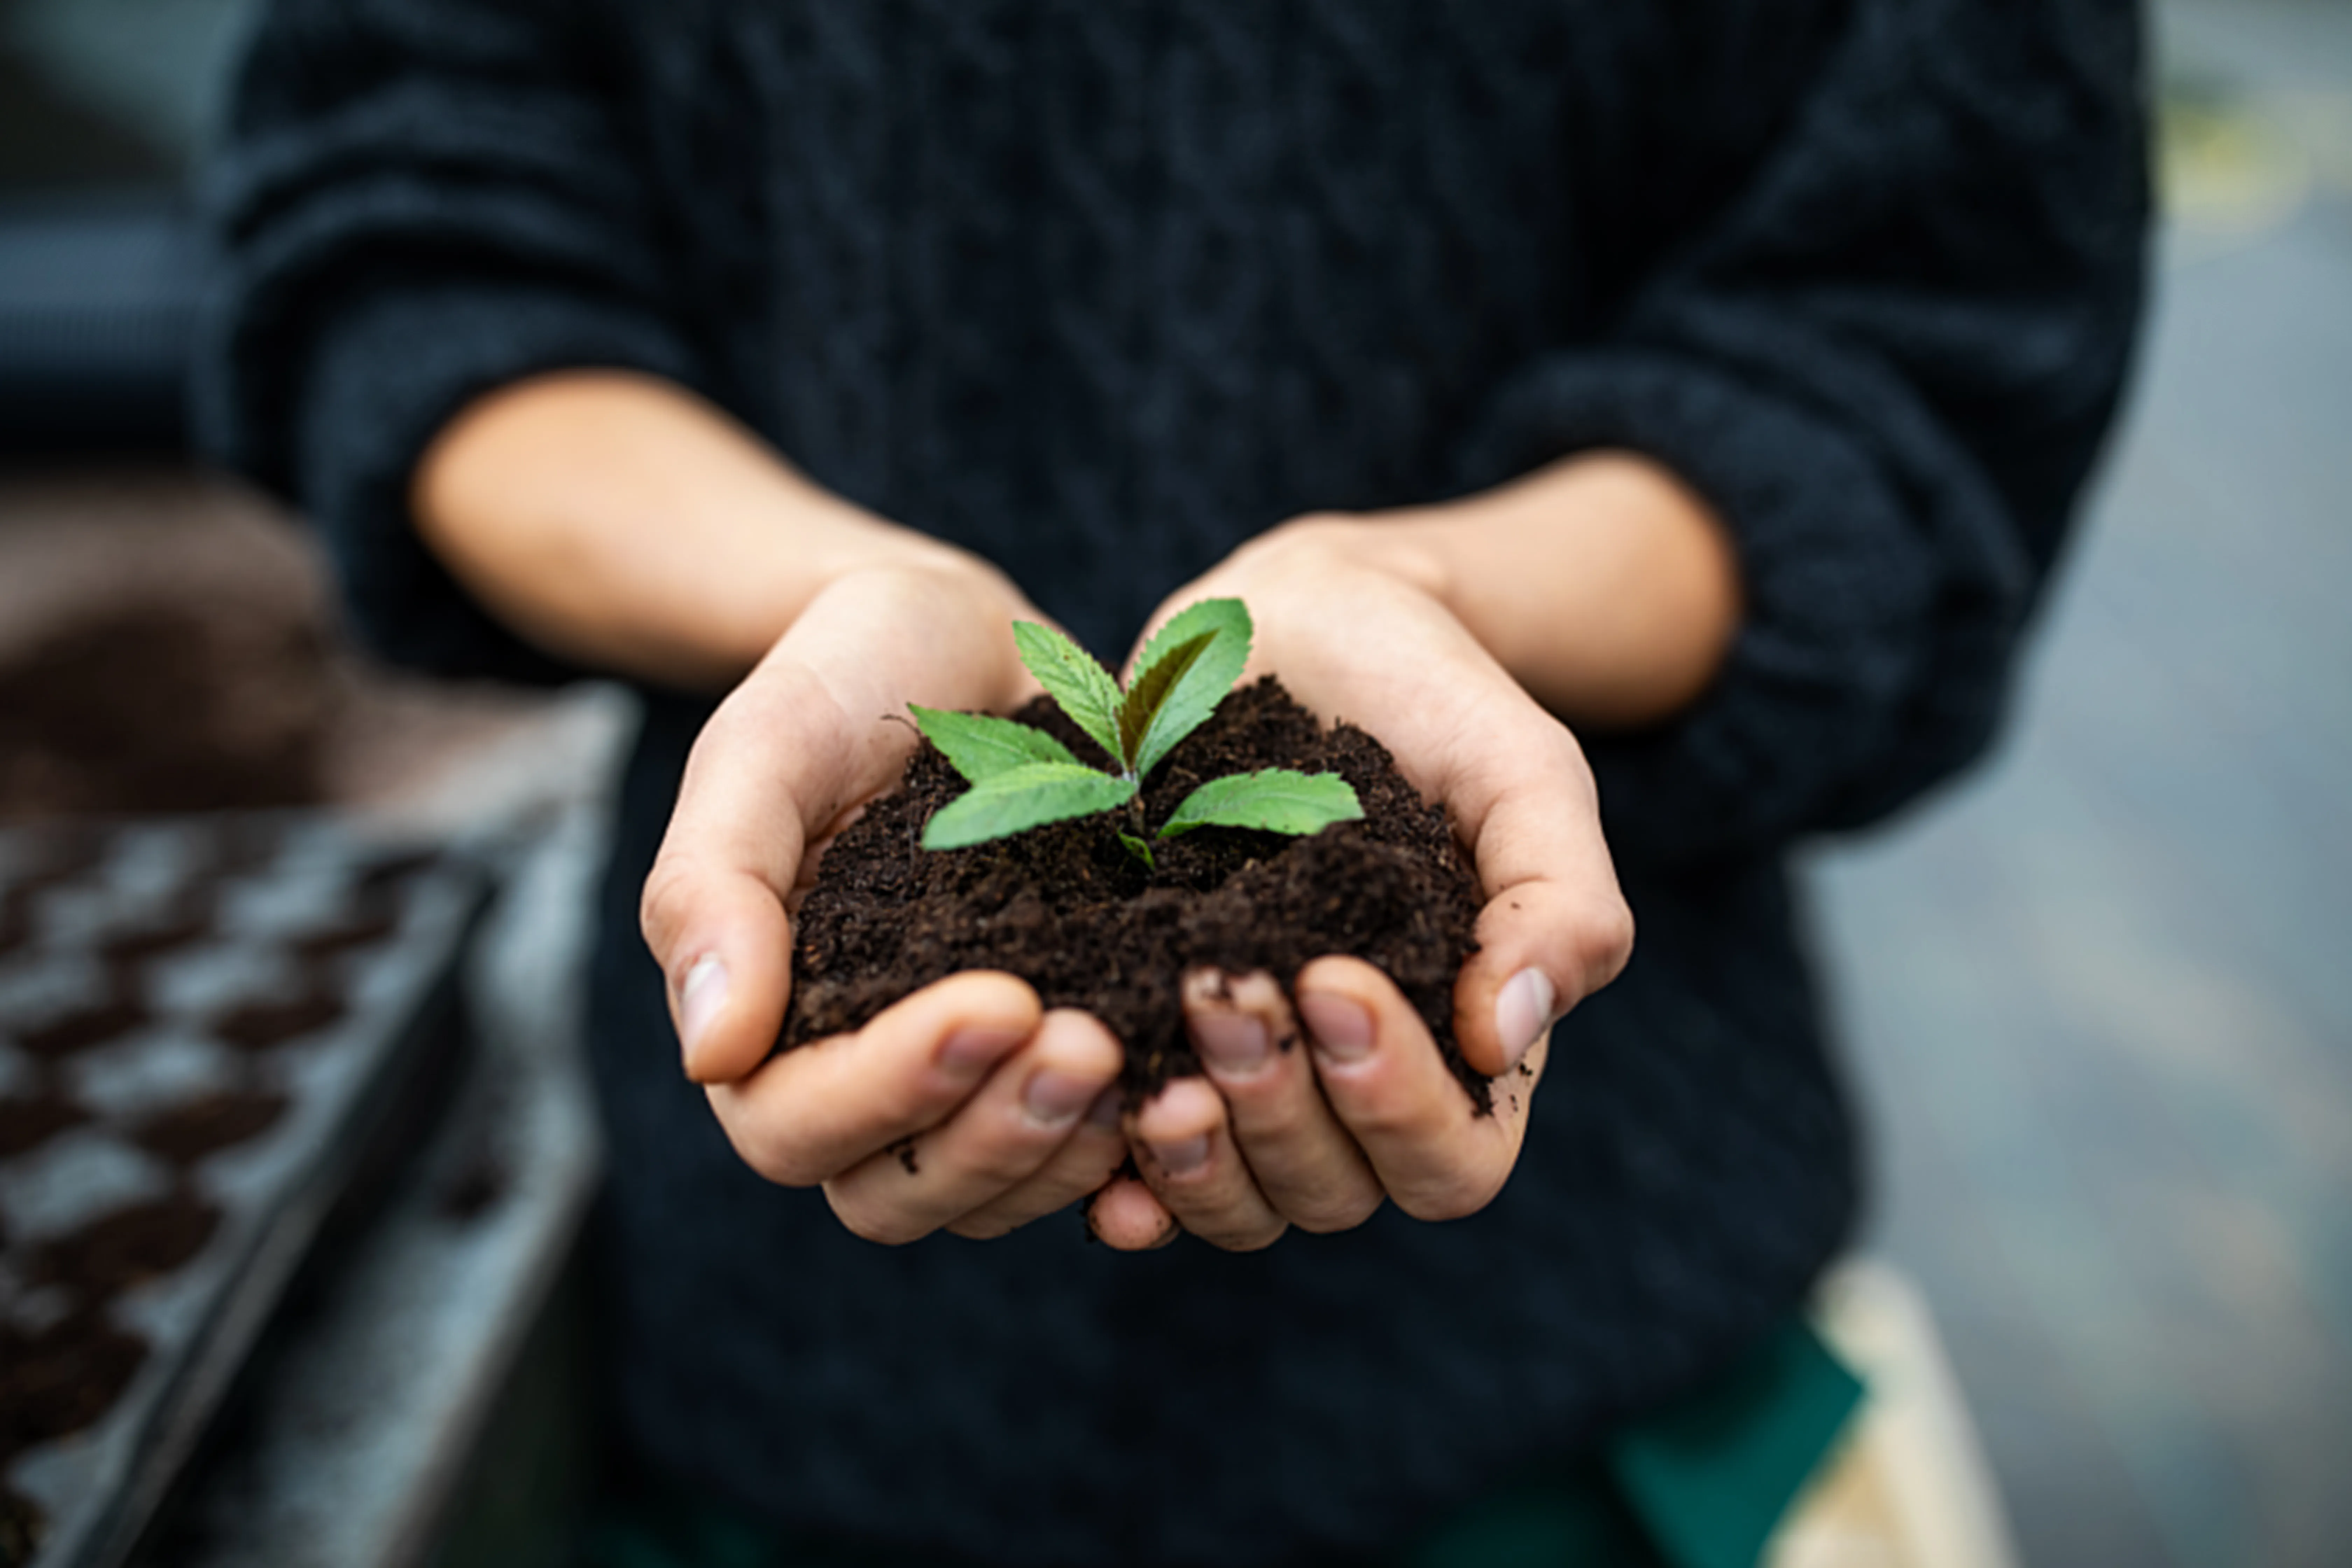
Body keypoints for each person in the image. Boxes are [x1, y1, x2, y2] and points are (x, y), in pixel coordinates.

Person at [198, 2, 2147, 1562]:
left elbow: (1919, 334)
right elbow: (409, 235)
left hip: (1570, 1368)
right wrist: (826, 598)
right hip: (758, 1378)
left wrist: (1436, 588)